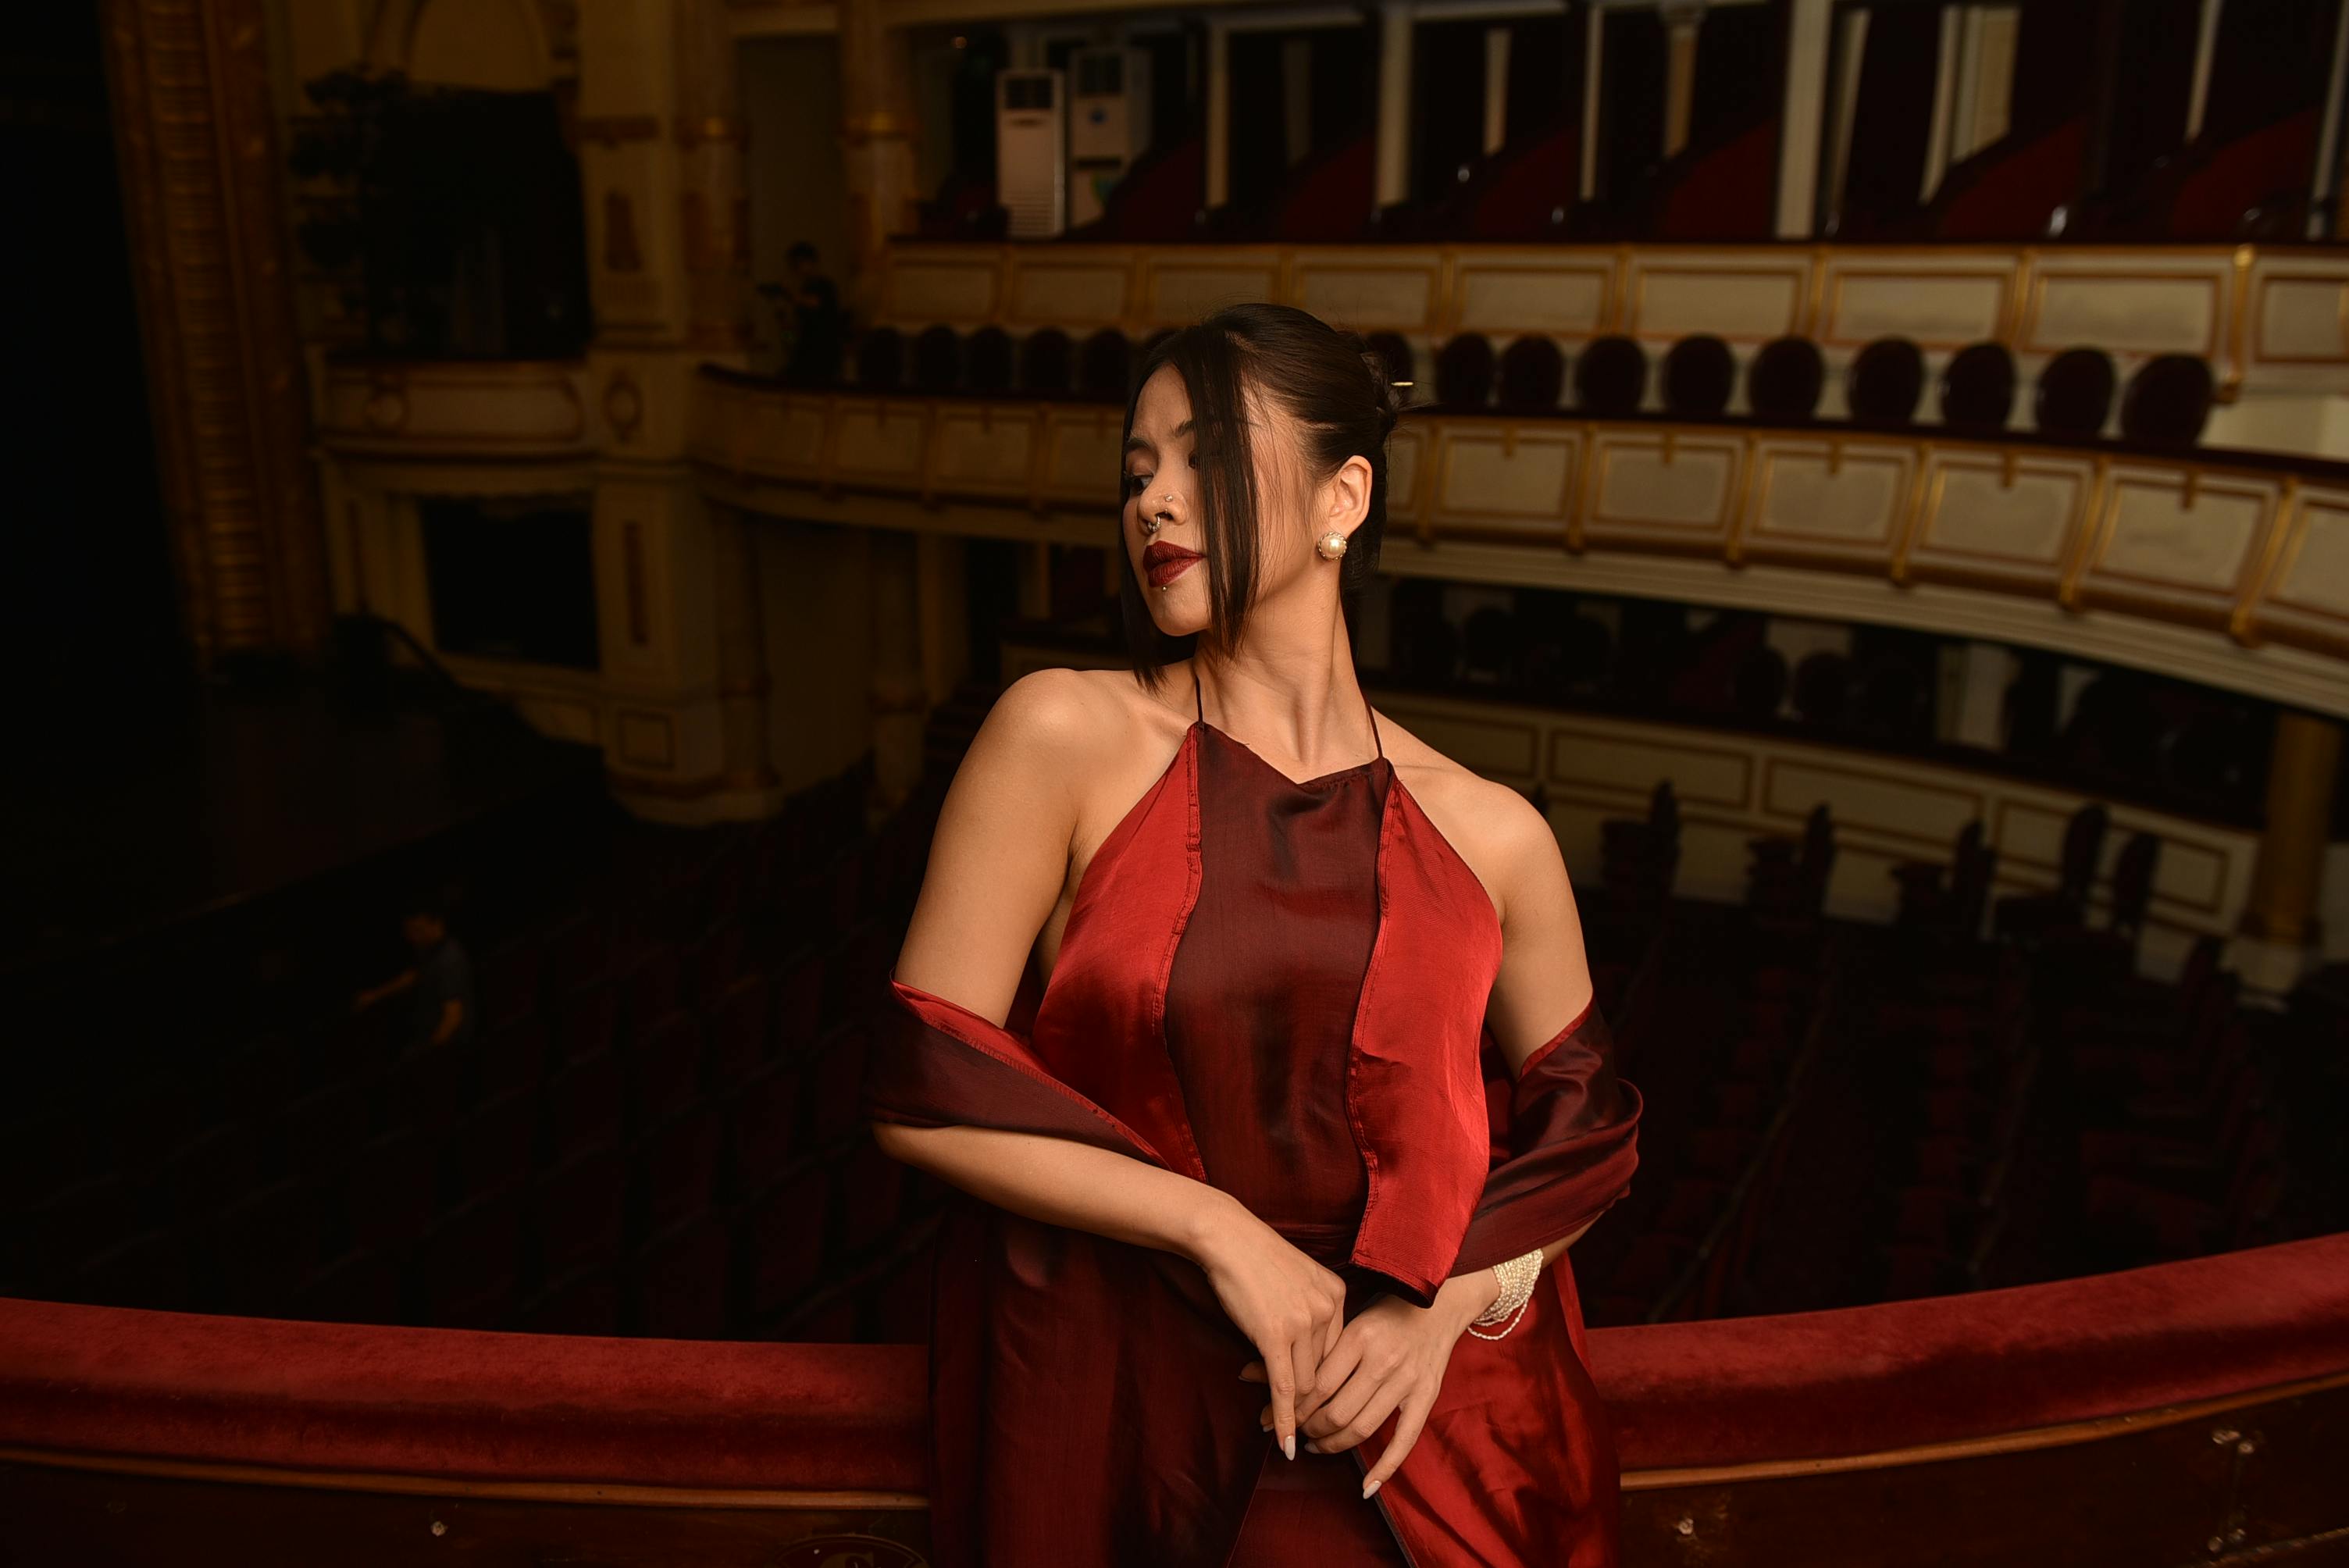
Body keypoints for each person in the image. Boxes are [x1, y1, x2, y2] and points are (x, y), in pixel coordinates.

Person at [864, 303, 1644, 1566]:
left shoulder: (1493, 834)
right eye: (1135, 470)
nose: (1152, 503)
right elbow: (923, 1079)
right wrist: (1215, 1228)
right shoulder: (1059, 737)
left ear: (1345, 496)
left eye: (1199, 456)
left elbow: (1588, 1128)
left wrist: (1439, 1311)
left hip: (1423, 1444)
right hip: (1140, 1414)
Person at [351, 888, 476, 1056]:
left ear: (436, 923)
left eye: (417, 930)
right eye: (409, 931)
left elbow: (453, 1017)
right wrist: (375, 995)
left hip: (450, 1050)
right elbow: (413, 976)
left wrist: (426, 1055)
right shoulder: (429, 951)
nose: (412, 937)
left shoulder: (449, 960)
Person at [771, 240, 844, 387]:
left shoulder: (825, 286)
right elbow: (791, 331)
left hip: (823, 355)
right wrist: (782, 316)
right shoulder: (805, 288)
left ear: (810, 262)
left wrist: (790, 295)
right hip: (805, 353)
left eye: (798, 265)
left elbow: (816, 304)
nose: (796, 270)